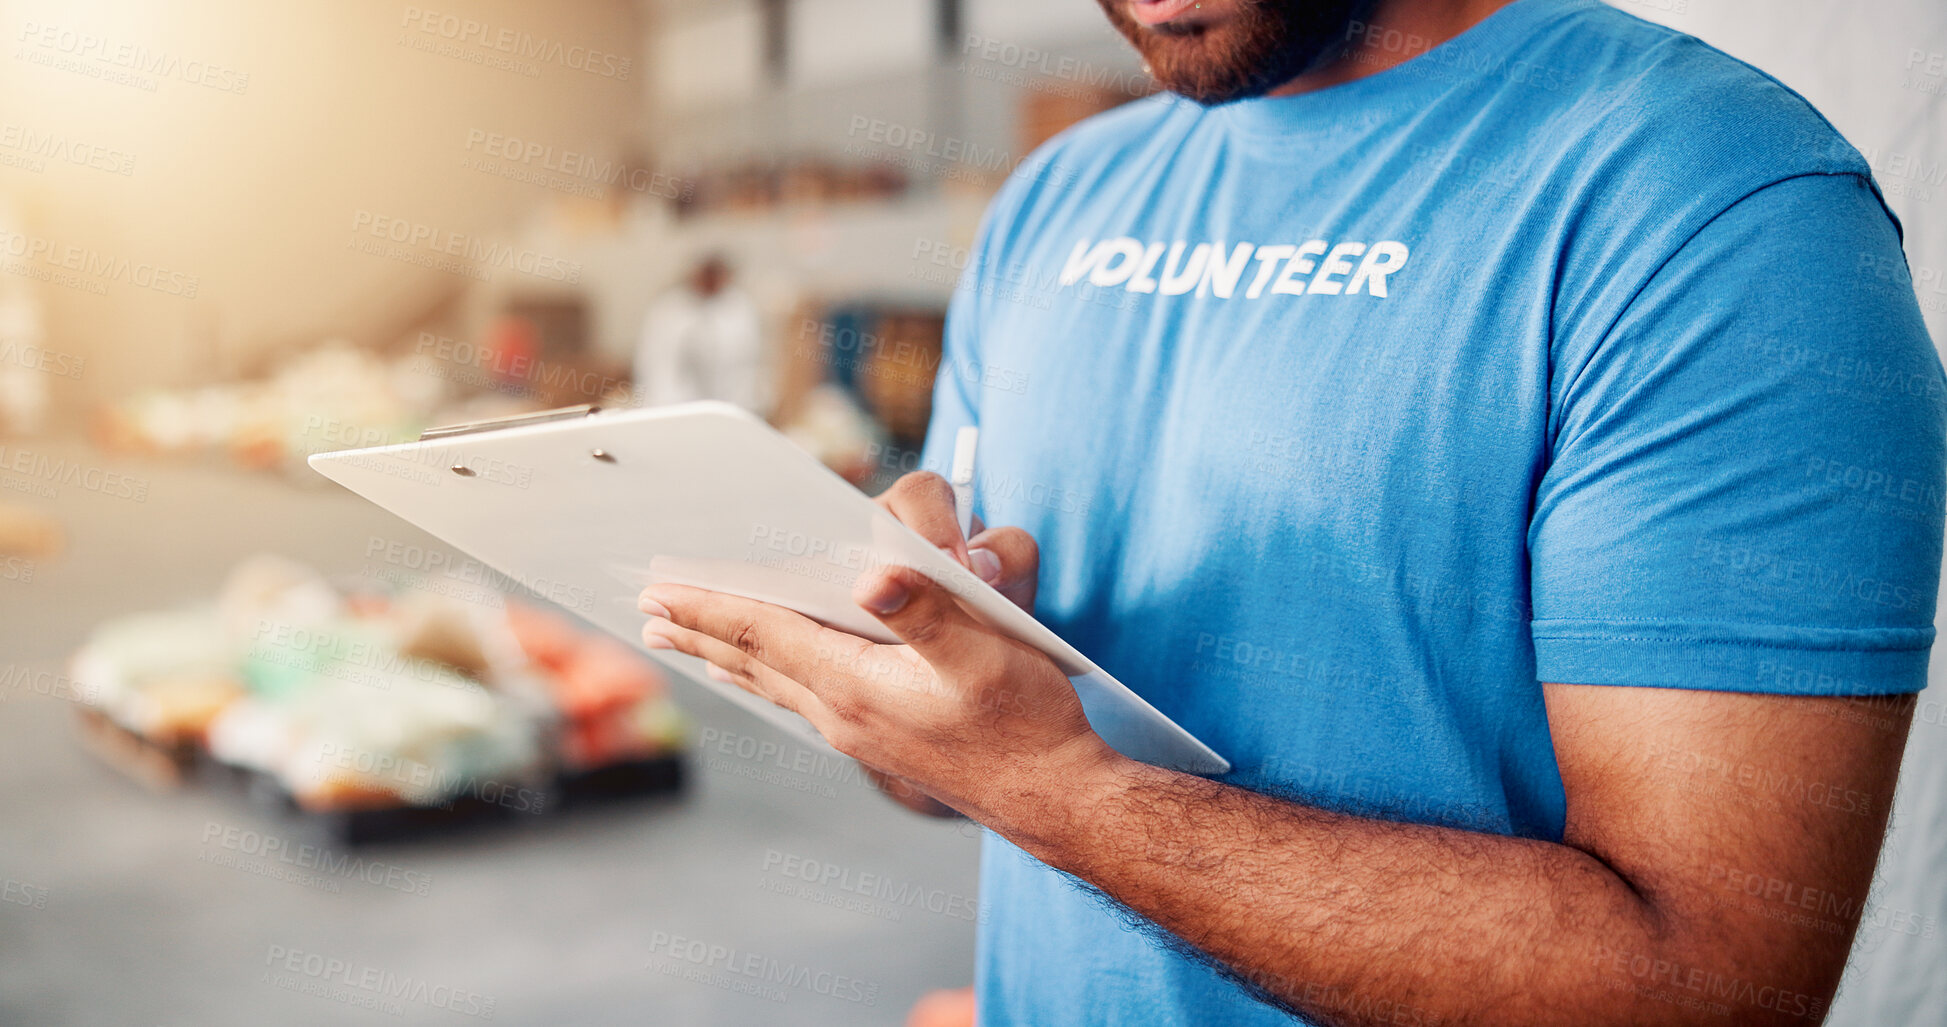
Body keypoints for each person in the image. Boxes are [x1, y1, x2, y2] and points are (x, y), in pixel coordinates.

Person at [638, 1, 1947, 1024]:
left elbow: (1698, 979)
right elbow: (947, 773)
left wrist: (1040, 779)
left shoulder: (1715, 210)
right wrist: (902, 674)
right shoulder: (1055, 198)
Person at [632, 255, 766, 413]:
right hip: (671, 407)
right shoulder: (667, 309)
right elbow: (653, 364)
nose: (710, 280)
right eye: (705, 274)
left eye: (716, 274)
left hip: (731, 409)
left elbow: (748, 364)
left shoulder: (741, 308)